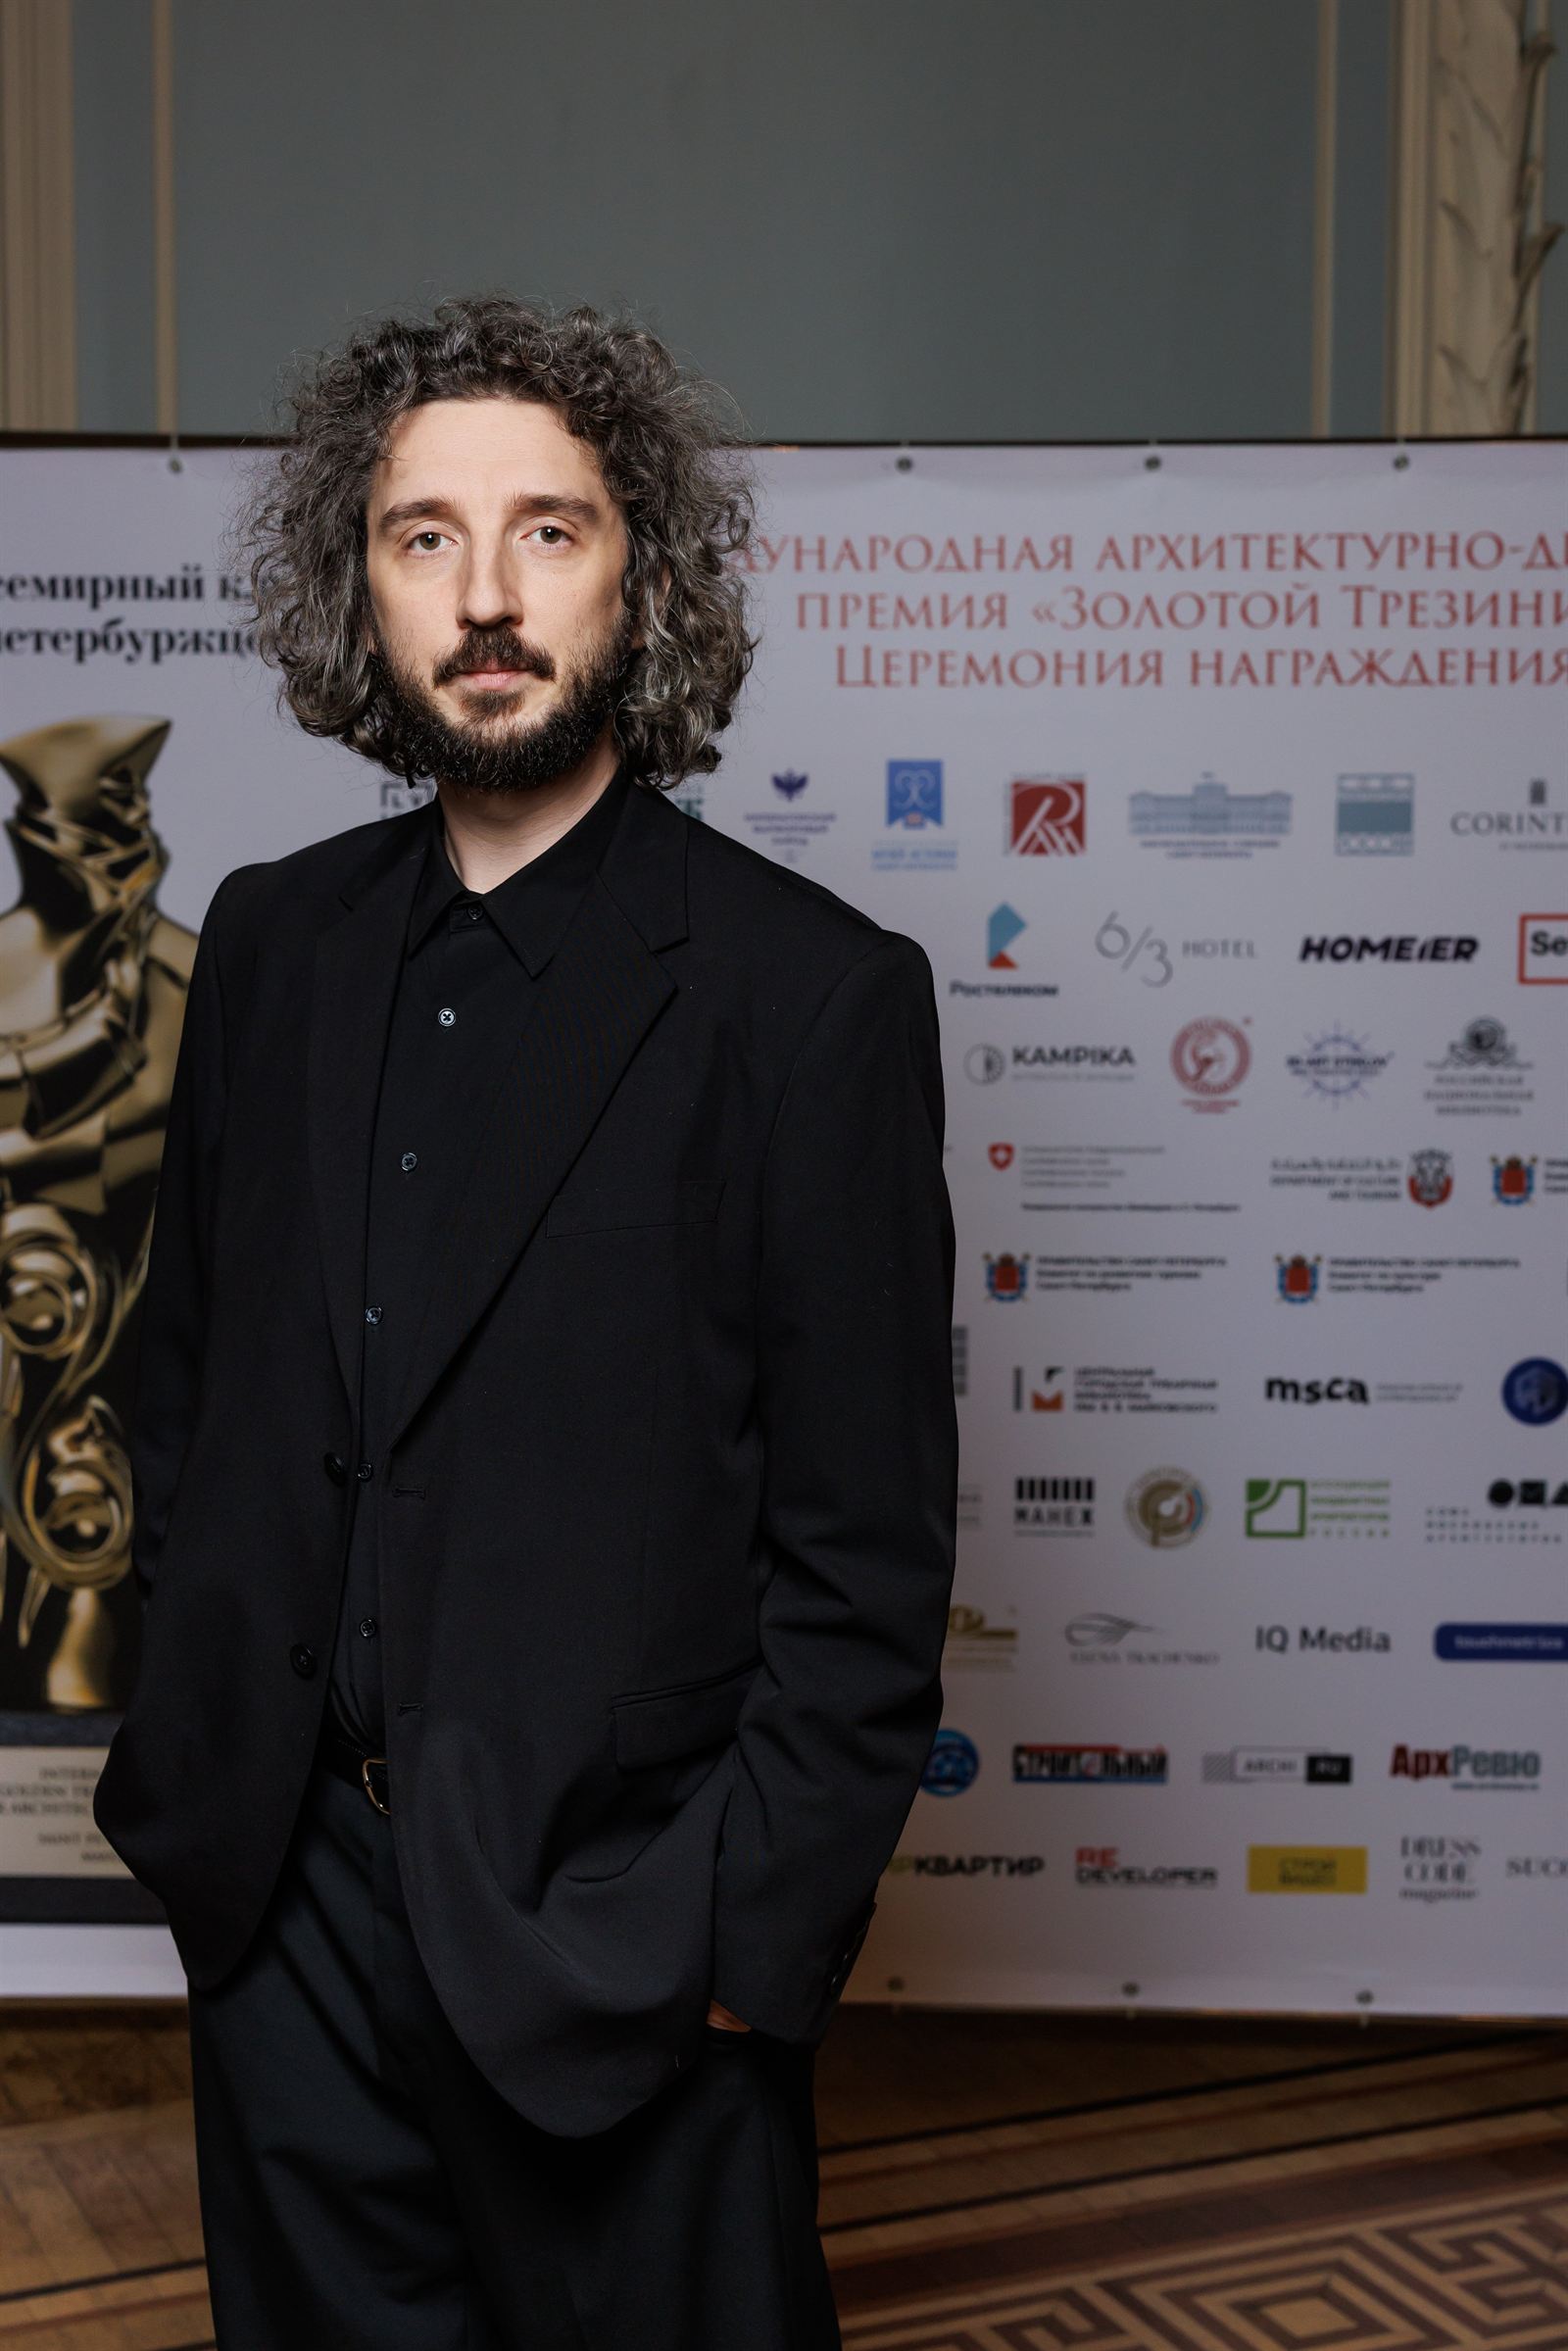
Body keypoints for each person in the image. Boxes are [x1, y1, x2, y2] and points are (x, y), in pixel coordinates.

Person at [92, 294, 957, 2350]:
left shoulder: (809, 1001)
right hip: (286, 1916)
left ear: (637, 576)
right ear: (362, 588)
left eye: (547, 531)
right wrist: (213, 1771)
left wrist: (743, 1944)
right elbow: (185, 1380)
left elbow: (863, 1555)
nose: (485, 594)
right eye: (426, 537)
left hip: (627, 1941)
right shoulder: (273, 939)